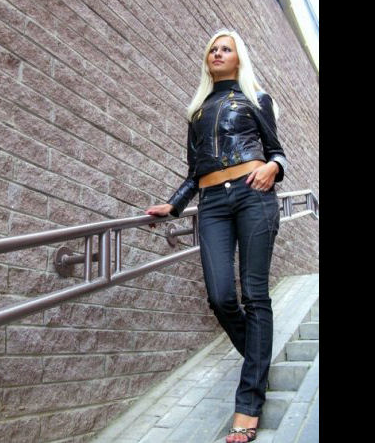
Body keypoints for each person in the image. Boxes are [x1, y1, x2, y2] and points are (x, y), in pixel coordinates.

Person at [145, 29, 287, 443]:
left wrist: (272, 167)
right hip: (212, 204)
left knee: (254, 296)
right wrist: (174, 204)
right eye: (213, 49)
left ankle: (248, 405)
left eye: (226, 48)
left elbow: (276, 150)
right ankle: (258, 363)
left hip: (253, 194)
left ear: (239, 58)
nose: (218, 53)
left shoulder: (256, 98)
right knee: (221, 297)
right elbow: (195, 171)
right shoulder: (197, 112)